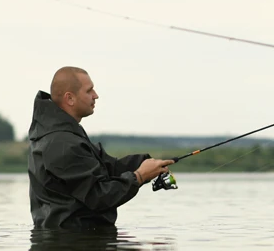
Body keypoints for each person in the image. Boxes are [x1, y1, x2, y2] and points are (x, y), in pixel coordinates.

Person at [28, 66, 173, 229]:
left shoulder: (65, 134)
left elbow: (108, 168)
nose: (95, 95)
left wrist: (147, 162)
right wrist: (139, 176)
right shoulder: (62, 143)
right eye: (89, 90)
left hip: (78, 237)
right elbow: (98, 196)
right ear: (70, 98)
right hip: (72, 240)